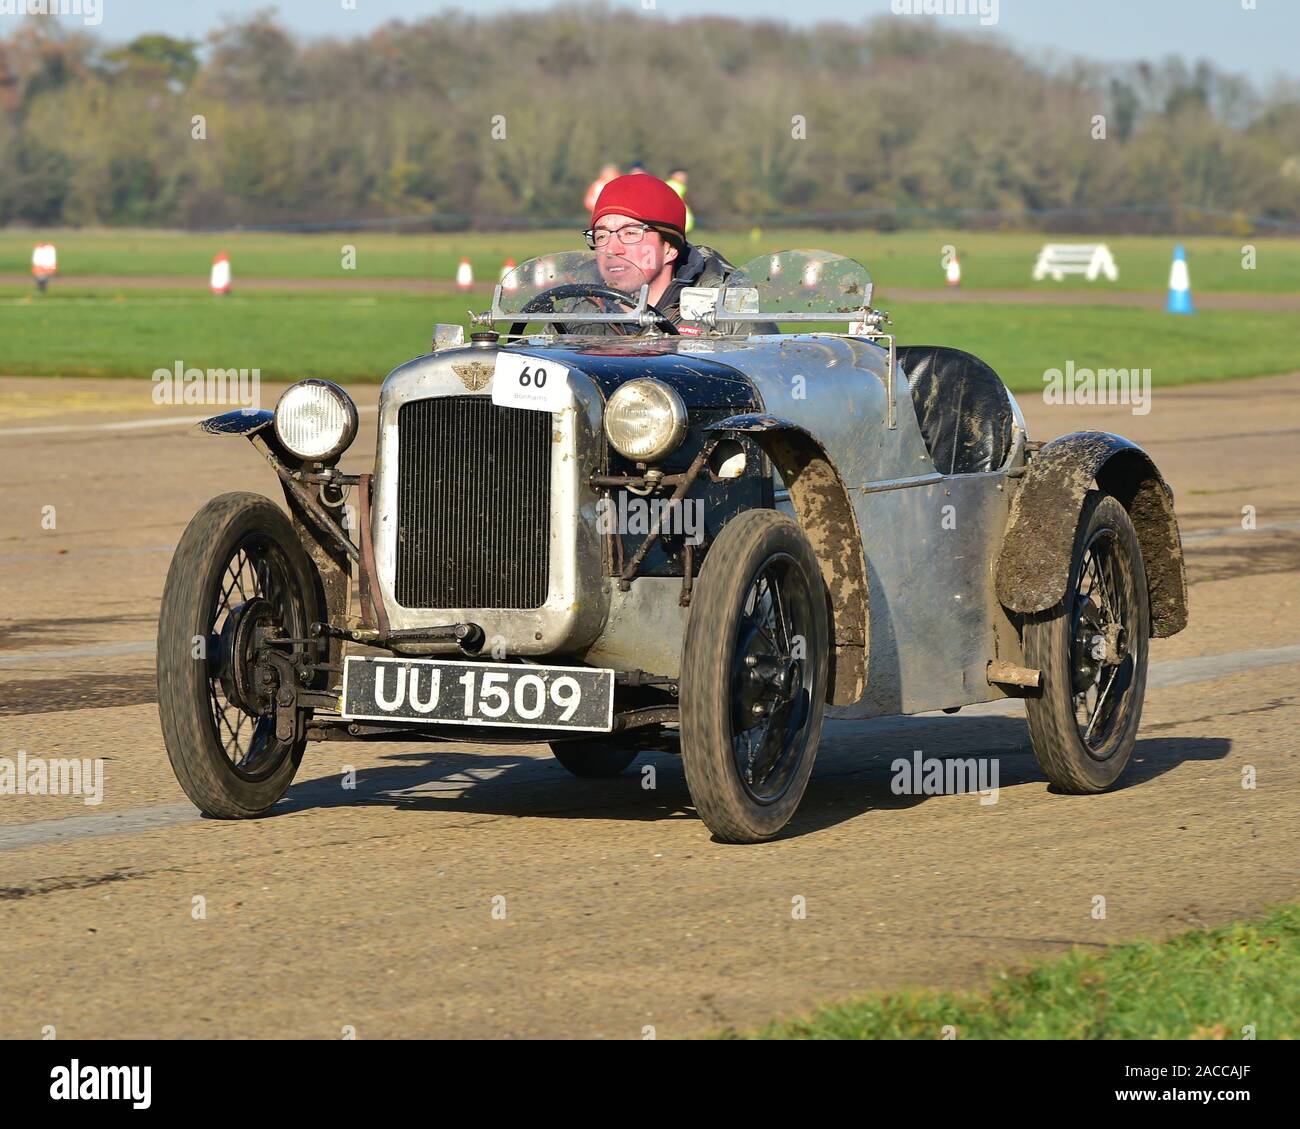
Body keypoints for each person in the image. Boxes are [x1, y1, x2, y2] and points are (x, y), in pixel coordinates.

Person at [580, 173, 777, 337]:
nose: (612, 249)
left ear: (669, 248)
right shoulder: (576, 309)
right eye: (602, 235)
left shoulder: (728, 313)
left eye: (630, 233)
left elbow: (769, 376)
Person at [665, 167, 694, 235]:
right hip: (676, 224)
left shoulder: (680, 186)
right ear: (673, 175)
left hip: (679, 225)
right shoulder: (674, 186)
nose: (684, 177)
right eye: (680, 175)